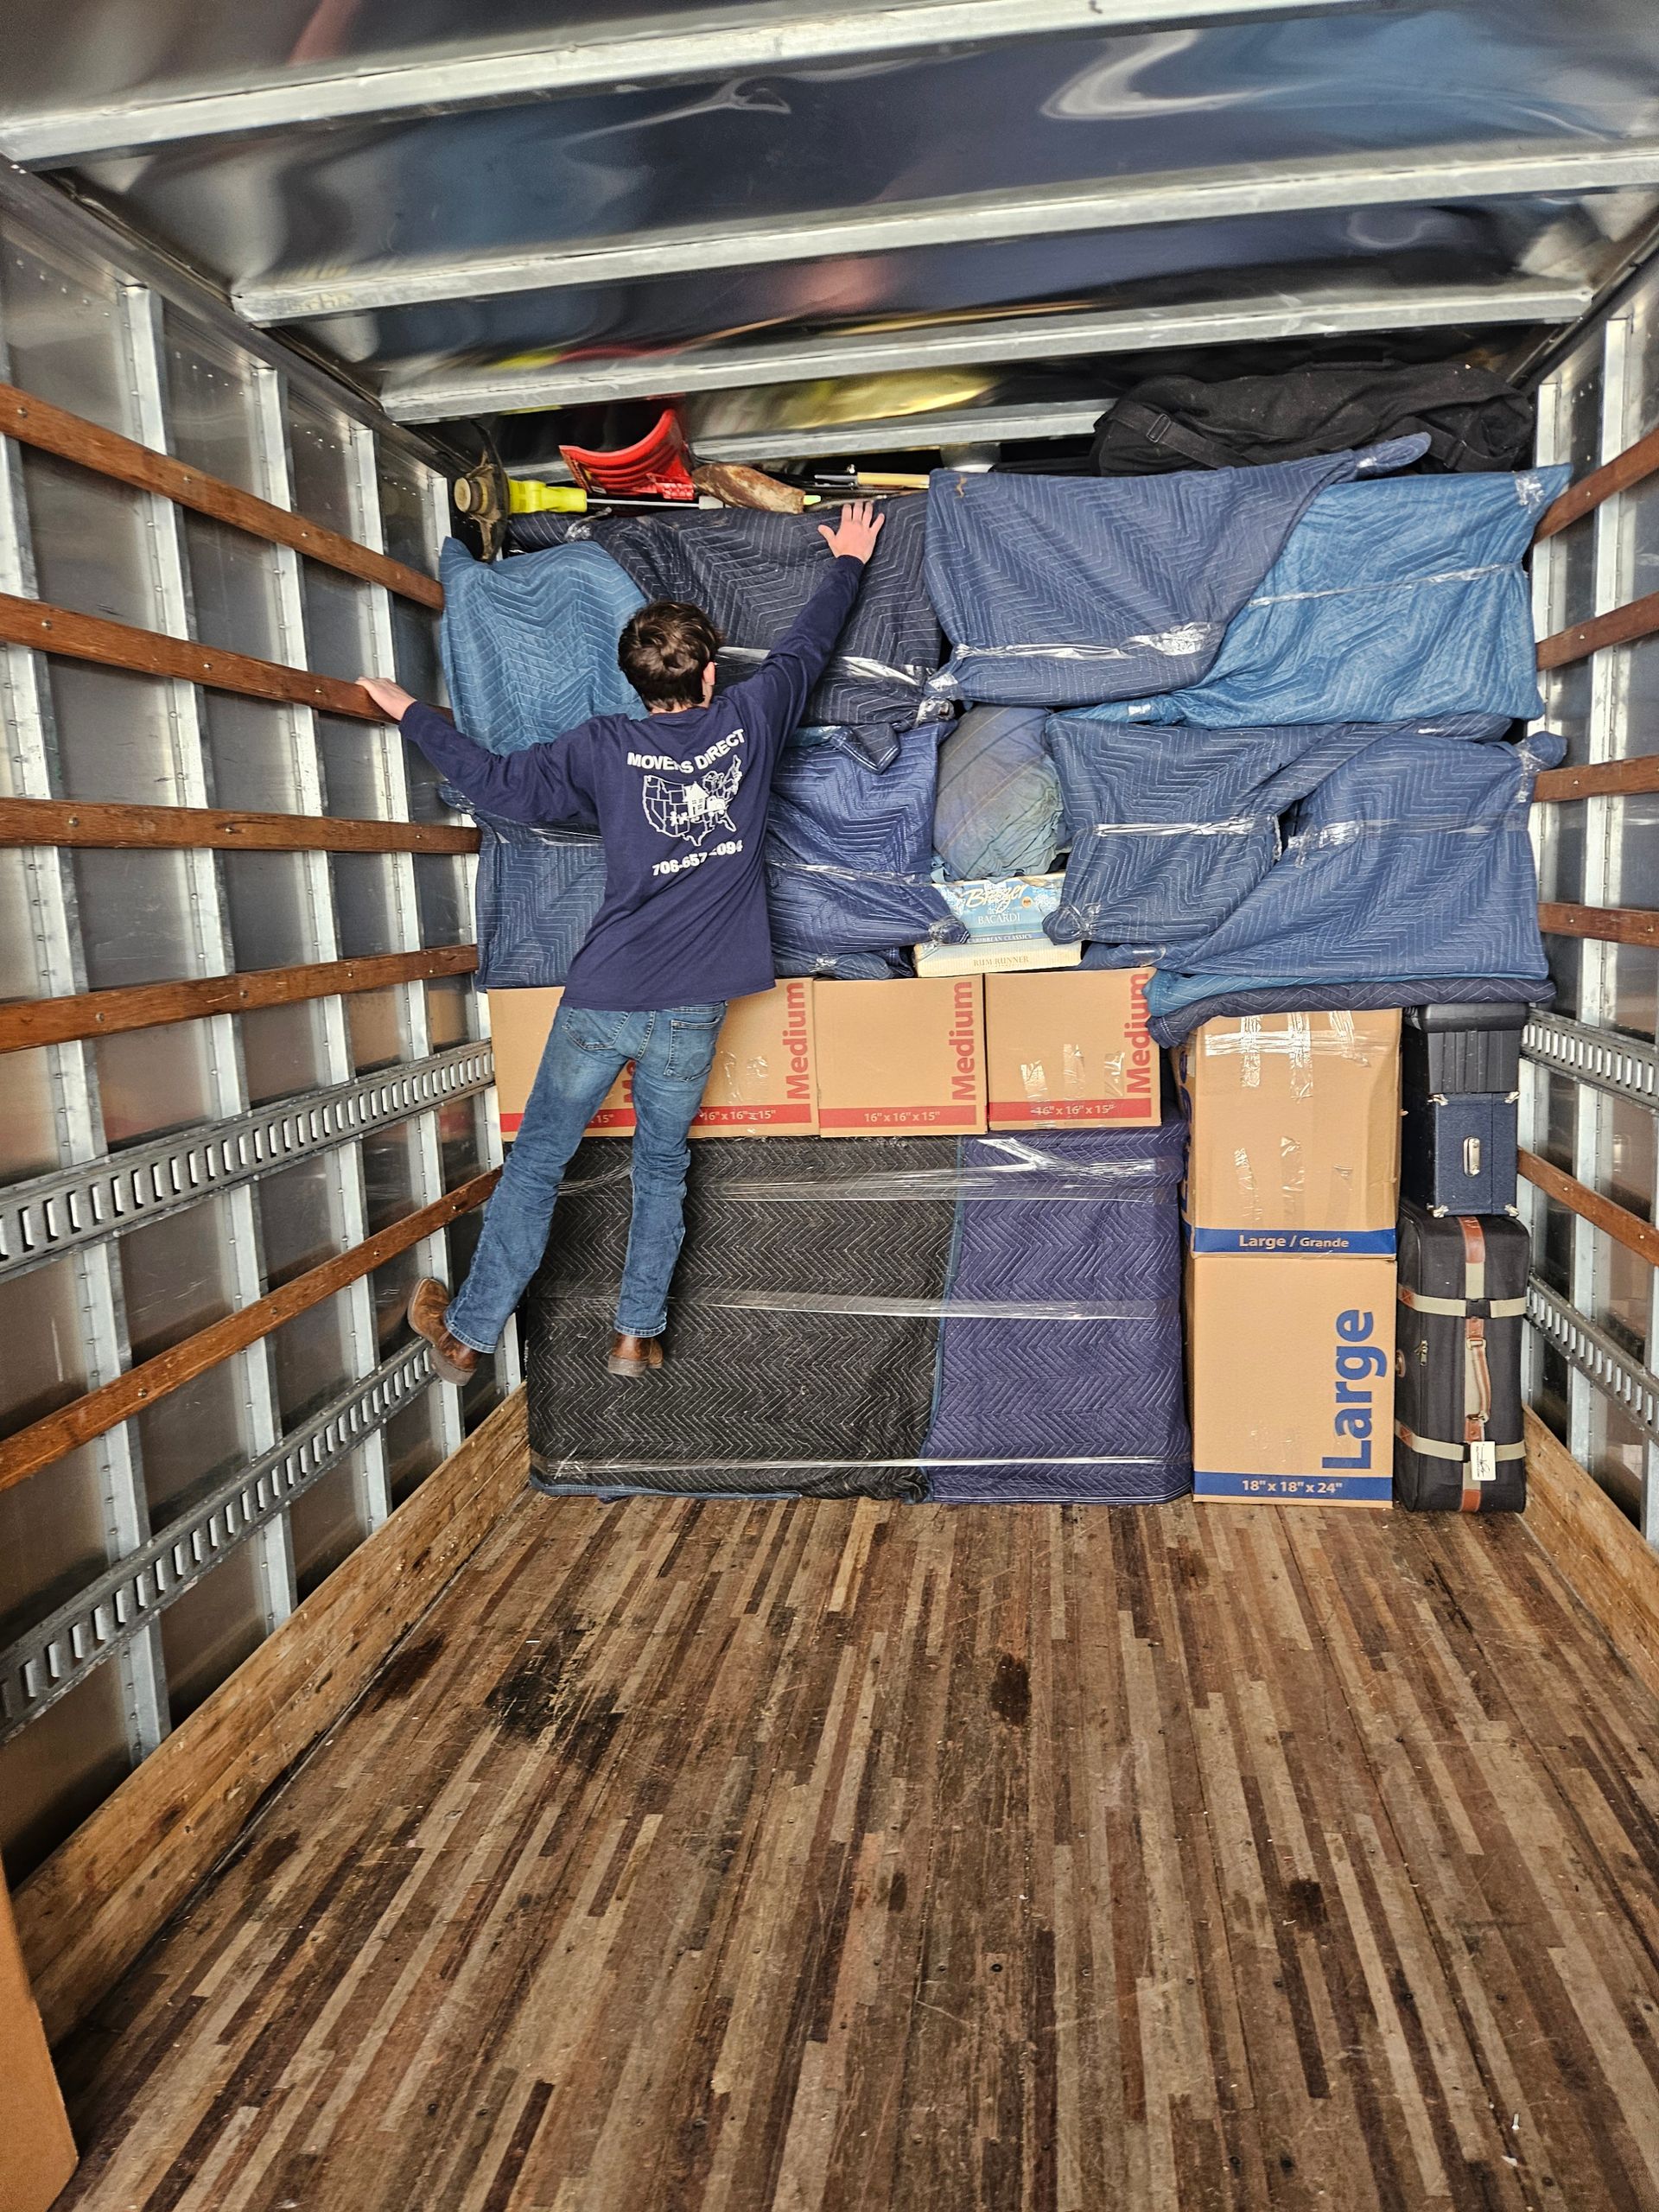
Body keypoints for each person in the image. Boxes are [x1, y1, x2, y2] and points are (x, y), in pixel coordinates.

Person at [357, 499, 887, 1383]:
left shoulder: (602, 746)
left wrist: (410, 710)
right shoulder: (752, 719)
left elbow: (497, 785)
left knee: (538, 1164)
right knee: (661, 1167)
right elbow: (808, 648)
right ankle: (636, 1334)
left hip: (604, 997)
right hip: (693, 1009)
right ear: (711, 673)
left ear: (633, 681)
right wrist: (849, 559)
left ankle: (468, 1335)